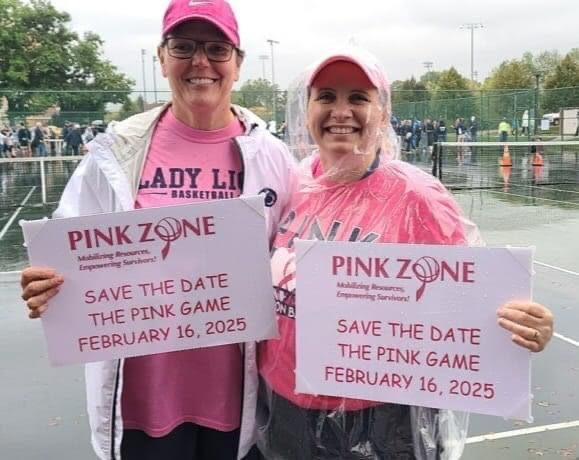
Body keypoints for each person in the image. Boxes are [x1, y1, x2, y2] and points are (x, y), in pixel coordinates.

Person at [19, 1, 296, 459]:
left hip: (239, 403)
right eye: (183, 47)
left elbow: (293, 261)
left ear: (238, 63)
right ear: (162, 57)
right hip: (143, 406)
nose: (201, 62)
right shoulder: (115, 154)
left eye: (217, 48)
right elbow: (64, 256)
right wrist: (45, 285)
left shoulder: (274, 158)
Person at [256, 47, 554, 460]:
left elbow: (479, 297)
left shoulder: (418, 196)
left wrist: (526, 325)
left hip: (381, 417)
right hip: (284, 407)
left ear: (383, 112)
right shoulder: (287, 186)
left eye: (358, 98)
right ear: (306, 109)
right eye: (326, 96)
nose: (340, 111)